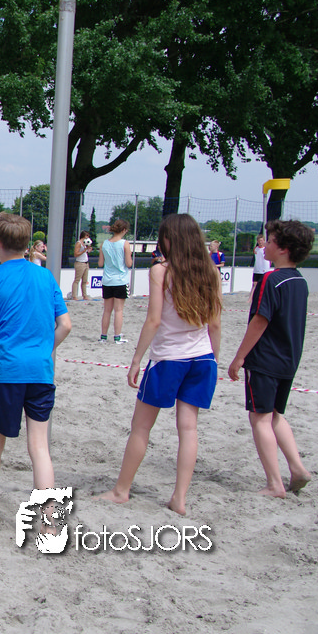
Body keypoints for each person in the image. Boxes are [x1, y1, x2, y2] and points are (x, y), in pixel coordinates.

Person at [0, 212, 72, 532]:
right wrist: (44, 350)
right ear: (26, 244)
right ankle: (50, 523)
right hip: (41, 372)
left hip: (6, 373)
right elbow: (65, 325)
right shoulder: (45, 277)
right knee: (40, 448)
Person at [99, 214, 222, 515]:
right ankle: (179, 498)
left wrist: (136, 359)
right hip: (202, 358)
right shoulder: (211, 271)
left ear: (170, 239)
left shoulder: (161, 271)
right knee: (188, 429)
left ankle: (121, 490)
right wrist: (215, 360)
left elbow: (153, 320)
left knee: (141, 427)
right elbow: (215, 324)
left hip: (169, 358)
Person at [227, 220, 314, 498]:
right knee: (276, 415)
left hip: (265, 359)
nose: (265, 244)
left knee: (259, 419)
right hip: (289, 359)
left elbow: (259, 321)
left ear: (284, 248)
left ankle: (275, 484)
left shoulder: (271, 279)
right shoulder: (300, 281)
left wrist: (239, 357)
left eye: (271, 240)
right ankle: (297, 468)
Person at [98, 219, 133, 343]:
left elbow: (100, 263)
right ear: (123, 230)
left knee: (107, 310)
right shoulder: (125, 243)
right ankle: (117, 337)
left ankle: (103, 336)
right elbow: (128, 264)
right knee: (119, 310)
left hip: (107, 280)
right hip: (120, 280)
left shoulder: (104, 244)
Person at [67, 230, 93, 300]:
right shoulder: (79, 243)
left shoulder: (85, 244)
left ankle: (85, 295)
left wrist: (87, 250)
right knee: (77, 280)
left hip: (85, 263)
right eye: (87, 236)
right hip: (80, 263)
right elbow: (76, 254)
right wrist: (84, 250)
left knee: (84, 281)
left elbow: (85, 253)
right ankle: (74, 295)